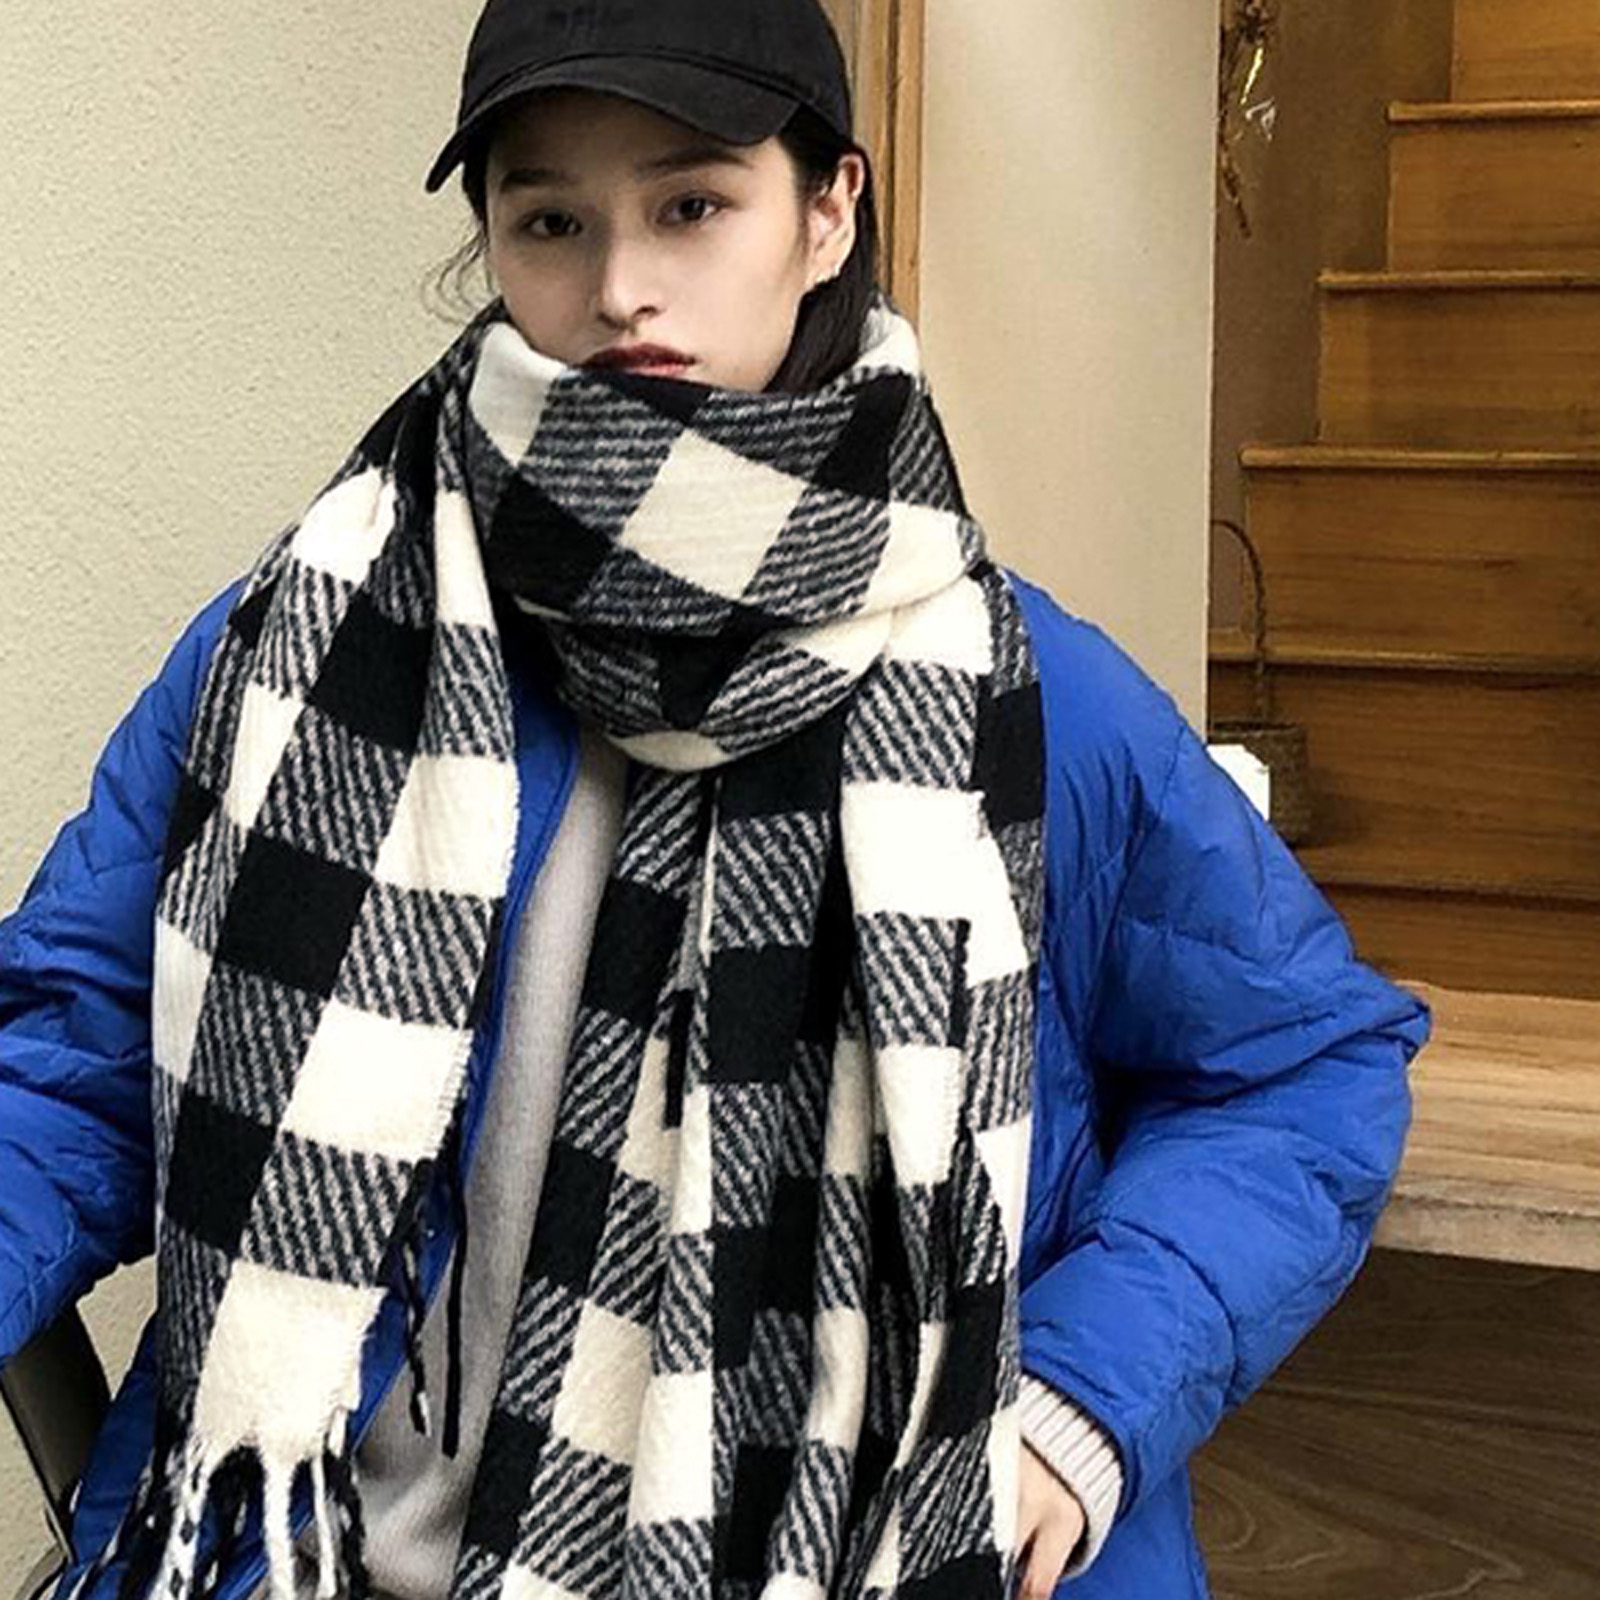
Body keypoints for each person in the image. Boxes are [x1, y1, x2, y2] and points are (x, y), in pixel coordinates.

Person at [0, 2, 1430, 1598]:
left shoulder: (1027, 699)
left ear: (827, 214)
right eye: (552, 221)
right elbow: (70, 1053)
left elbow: (1307, 1068)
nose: (620, 287)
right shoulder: (301, 646)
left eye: (690, 204)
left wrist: (1082, 1403)